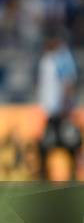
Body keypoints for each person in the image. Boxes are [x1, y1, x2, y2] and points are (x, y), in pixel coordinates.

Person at [37, 32, 81, 180]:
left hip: (60, 111)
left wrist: (65, 106)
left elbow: (68, 83)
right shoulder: (49, 57)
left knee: (69, 142)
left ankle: (72, 174)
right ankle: (47, 175)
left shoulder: (62, 57)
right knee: (50, 144)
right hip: (51, 111)